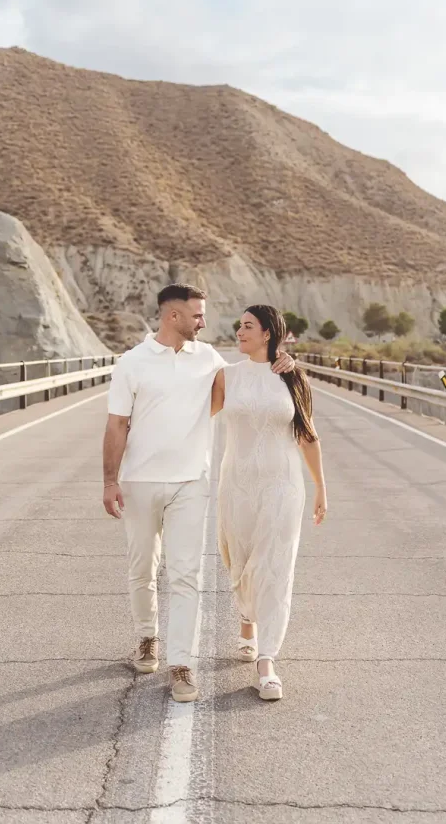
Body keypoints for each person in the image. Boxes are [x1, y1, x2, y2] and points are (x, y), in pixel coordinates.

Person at [101, 284, 294, 703]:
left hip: (191, 480)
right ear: (173, 316)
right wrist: (109, 481)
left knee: (187, 574)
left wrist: (283, 358)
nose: (205, 323)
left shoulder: (209, 360)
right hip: (139, 481)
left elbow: (251, 376)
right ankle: (146, 637)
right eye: (198, 315)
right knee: (142, 567)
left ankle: (181, 662)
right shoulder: (131, 363)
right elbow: (116, 425)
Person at [211, 304, 327, 701]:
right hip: (237, 484)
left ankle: (267, 660)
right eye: (238, 325)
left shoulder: (292, 376)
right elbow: (194, 419)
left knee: (275, 565)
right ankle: (247, 619)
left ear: (267, 333)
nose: (239, 331)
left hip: (283, 484)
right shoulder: (226, 377)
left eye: (247, 326)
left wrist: (320, 489)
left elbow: (307, 436)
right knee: (241, 560)